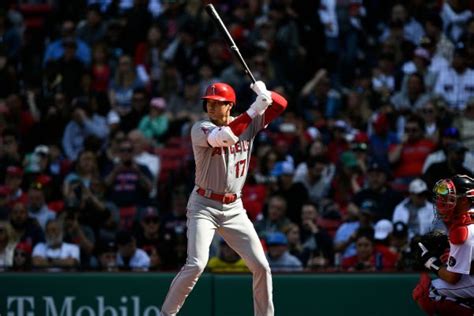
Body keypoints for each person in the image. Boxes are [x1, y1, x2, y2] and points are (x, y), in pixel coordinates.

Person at [159, 81, 287, 316]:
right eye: (208, 102)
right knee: (196, 263)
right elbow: (226, 137)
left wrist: (265, 92)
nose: (210, 107)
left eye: (217, 104)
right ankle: (166, 314)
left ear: (229, 106)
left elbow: (281, 105)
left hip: (234, 208)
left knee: (261, 267)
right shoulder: (200, 128)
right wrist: (254, 109)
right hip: (203, 205)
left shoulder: (248, 123)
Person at [412, 174, 474, 315]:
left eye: (449, 197)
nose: (441, 201)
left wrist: (429, 261)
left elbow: (453, 278)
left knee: (428, 292)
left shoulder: (462, 229)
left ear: (464, 200)